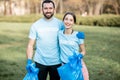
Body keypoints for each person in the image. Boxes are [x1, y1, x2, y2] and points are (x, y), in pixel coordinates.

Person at [26, 0, 64, 80]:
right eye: (45, 8)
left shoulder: (60, 24)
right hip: (40, 62)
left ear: (54, 9)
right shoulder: (35, 25)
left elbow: (67, 39)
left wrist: (76, 35)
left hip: (56, 62)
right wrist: (29, 60)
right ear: (42, 9)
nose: (48, 10)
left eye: (50, 8)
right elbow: (30, 45)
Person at [58, 12, 89, 80]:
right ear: (63, 21)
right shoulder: (59, 33)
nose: (68, 22)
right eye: (66, 19)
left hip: (76, 65)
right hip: (65, 66)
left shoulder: (78, 35)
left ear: (73, 22)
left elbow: (83, 51)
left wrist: (80, 55)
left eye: (71, 20)